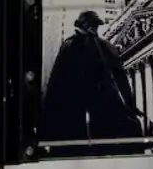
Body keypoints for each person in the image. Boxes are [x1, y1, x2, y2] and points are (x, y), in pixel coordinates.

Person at [40, 10, 146, 141]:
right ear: (82, 25)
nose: (94, 28)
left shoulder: (105, 46)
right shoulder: (70, 45)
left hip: (102, 104)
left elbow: (120, 78)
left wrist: (130, 105)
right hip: (78, 106)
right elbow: (56, 82)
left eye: (96, 25)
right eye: (91, 24)